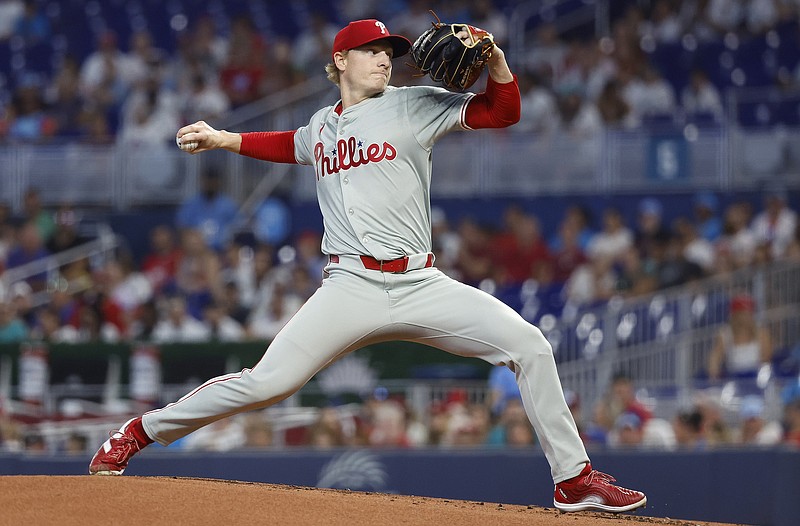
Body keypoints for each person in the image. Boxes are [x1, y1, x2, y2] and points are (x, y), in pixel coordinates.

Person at [89, 18, 646, 514]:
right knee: (266, 383)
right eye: (372, 49)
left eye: (390, 50)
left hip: (419, 282)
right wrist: (225, 138)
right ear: (340, 61)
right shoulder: (323, 126)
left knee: (531, 347)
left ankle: (572, 480)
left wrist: (497, 63)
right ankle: (140, 432)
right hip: (349, 284)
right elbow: (291, 144)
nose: (385, 58)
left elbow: (503, 111)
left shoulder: (413, 103)